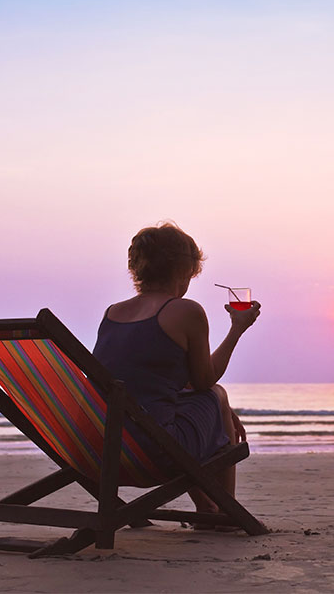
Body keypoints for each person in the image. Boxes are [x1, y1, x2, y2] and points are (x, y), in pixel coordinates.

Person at [93, 221, 260, 520]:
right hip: (154, 454)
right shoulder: (185, 311)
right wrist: (237, 329)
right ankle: (224, 513)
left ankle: (206, 507)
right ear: (184, 271)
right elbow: (205, 379)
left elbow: (145, 383)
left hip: (101, 450)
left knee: (179, 410)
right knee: (217, 393)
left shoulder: (112, 314)